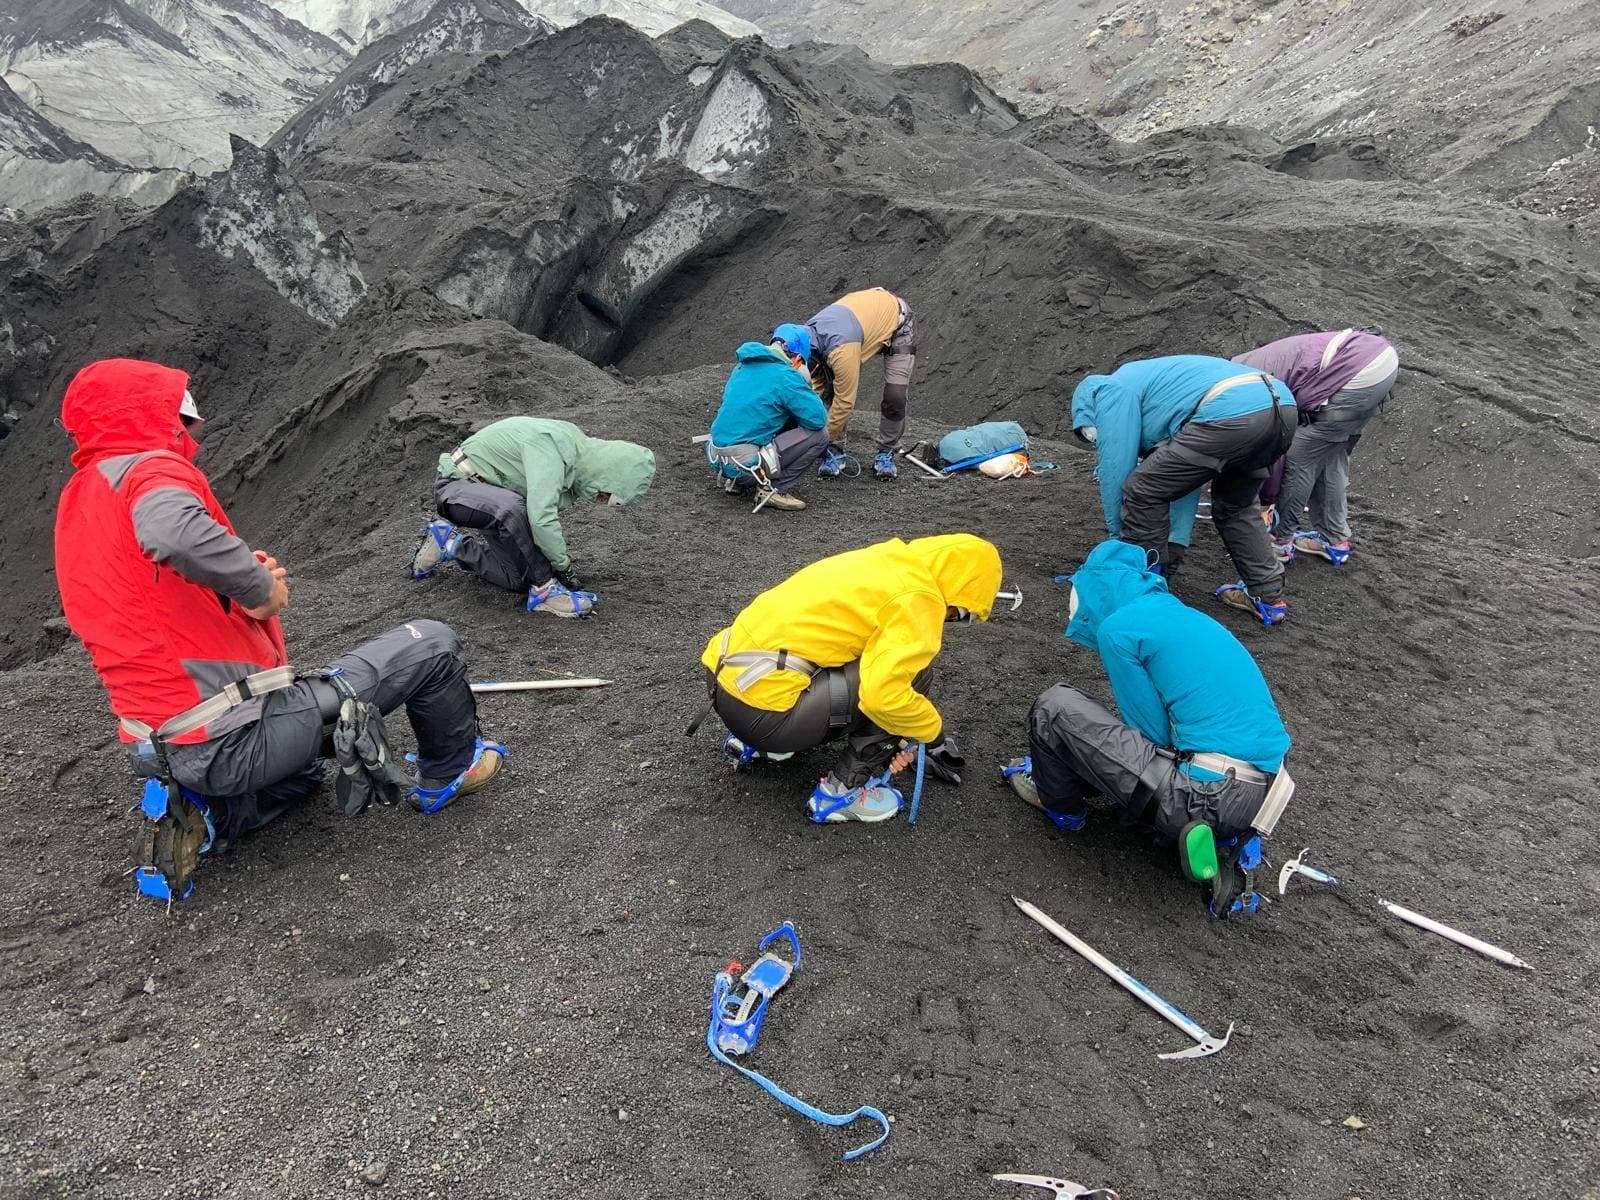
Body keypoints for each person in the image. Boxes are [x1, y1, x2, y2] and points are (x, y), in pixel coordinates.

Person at [54, 359, 502, 898]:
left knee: (308, 776)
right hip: (227, 735)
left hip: (159, 740)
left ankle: (215, 817)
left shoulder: (84, 496)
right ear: (150, 418)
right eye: (181, 417)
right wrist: (259, 589)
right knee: (431, 644)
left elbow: (144, 591)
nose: (194, 430)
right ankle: (449, 773)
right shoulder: (148, 469)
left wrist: (237, 575)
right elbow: (172, 533)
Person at [1002, 539, 1292, 917]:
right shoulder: (1182, 616)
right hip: (1266, 794)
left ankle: (1062, 805)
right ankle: (1229, 836)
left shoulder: (1119, 629)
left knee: (1055, 707)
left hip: (1204, 793)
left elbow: (1150, 736)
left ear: (1097, 590)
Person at [698, 534, 1001, 822]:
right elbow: (884, 695)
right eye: (963, 615)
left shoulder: (884, 559)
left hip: (725, 683)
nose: (952, 621)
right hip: (766, 717)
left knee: (844, 648)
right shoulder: (921, 598)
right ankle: (841, 792)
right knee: (913, 676)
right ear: (959, 592)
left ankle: (753, 745)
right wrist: (931, 733)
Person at [1070, 354, 1297, 626]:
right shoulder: (1154, 383)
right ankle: (1268, 596)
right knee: (1236, 507)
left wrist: (1119, 539)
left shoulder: (1111, 389)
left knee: (1142, 488)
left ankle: (1145, 590)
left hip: (1229, 413)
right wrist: (1174, 543)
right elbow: (1182, 479)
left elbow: (1116, 467)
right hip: (1281, 408)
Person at [410, 417, 656, 617]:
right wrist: (563, 568)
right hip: (457, 487)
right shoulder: (554, 449)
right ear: (607, 474)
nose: (599, 501)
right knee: (513, 510)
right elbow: (540, 518)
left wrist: (549, 567)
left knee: (518, 579)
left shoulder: (573, 464)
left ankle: (449, 543)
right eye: (605, 496)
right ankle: (546, 592)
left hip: (490, 497)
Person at [1232, 329, 1399, 566]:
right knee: (1332, 453)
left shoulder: (1244, 384)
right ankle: (1334, 540)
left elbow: (1274, 452)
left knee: (1298, 458)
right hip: (1381, 361)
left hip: (1356, 374)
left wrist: (1267, 501)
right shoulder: (1249, 364)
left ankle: (1280, 542)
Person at [705, 324, 830, 511]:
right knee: (820, 435)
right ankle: (773, 490)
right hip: (743, 463)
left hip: (717, 458)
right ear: (797, 358)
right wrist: (803, 385)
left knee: (761, 417)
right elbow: (817, 419)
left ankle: (737, 482)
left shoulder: (742, 366)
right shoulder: (786, 377)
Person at [798, 286, 916, 481]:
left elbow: (845, 401)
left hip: (899, 324)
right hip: (861, 324)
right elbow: (809, 392)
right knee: (828, 388)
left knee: (895, 395)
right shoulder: (804, 338)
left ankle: (886, 451)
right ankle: (835, 450)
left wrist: (817, 440)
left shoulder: (841, 350)